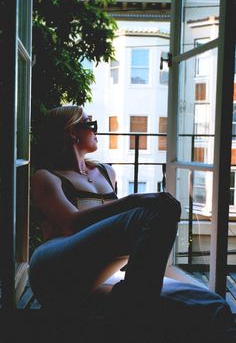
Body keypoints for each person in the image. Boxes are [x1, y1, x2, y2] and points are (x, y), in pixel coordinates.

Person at [29, 105, 181, 318]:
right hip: (53, 265)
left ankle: (134, 303)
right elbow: (72, 223)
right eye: (90, 124)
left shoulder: (106, 172)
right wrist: (134, 200)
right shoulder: (46, 177)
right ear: (72, 132)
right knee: (159, 208)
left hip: (94, 267)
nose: (96, 130)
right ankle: (135, 308)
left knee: (164, 206)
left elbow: (116, 229)